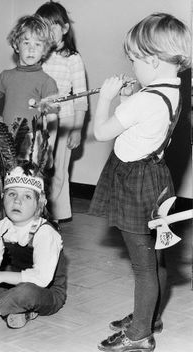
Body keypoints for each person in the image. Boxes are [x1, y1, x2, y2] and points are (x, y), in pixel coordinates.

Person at [89, 13, 191, 352]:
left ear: (153, 59)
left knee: (144, 267)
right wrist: (127, 98)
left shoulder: (147, 99)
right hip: (155, 178)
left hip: (135, 182)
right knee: (155, 258)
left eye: (134, 60)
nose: (132, 67)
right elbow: (140, 125)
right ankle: (150, 318)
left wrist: (105, 97)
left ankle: (139, 335)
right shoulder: (172, 90)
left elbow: (102, 131)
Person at [0, 165, 67, 329]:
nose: (17, 201)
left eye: (27, 196)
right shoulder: (1, 226)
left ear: (40, 203)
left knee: (25, 293)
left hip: (46, 291)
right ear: (3, 197)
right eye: (12, 194)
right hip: (13, 280)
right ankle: (20, 311)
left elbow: (42, 278)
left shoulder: (45, 233)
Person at [0, 14, 58, 166]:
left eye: (37, 44)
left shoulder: (47, 82)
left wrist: (49, 149)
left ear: (45, 50)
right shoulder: (5, 76)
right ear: (16, 45)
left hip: (33, 143)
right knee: (10, 184)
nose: (31, 49)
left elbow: (52, 120)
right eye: (26, 42)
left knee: (29, 186)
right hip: (7, 141)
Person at [36, 1, 88, 222]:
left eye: (52, 26)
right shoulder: (37, 55)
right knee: (38, 165)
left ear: (65, 28)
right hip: (40, 119)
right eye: (42, 26)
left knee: (59, 169)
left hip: (65, 120)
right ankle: (35, 211)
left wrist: (77, 129)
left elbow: (81, 97)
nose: (47, 31)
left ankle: (55, 216)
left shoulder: (73, 58)